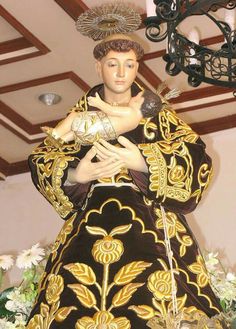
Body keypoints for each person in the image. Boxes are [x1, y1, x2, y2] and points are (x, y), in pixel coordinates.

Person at [27, 34, 225, 328]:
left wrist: (142, 161)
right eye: (112, 64)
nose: (121, 73)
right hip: (87, 228)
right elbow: (42, 156)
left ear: (137, 68)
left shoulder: (156, 114)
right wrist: (76, 175)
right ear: (98, 67)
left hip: (150, 224)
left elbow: (197, 159)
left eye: (129, 65)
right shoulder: (81, 115)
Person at [41, 89, 162, 147]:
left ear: (139, 101)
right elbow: (117, 118)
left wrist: (98, 103)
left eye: (136, 96)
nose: (133, 97)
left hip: (96, 126)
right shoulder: (135, 122)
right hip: (97, 136)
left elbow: (110, 110)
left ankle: (57, 133)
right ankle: (63, 140)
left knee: (74, 117)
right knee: (76, 132)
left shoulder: (130, 111)